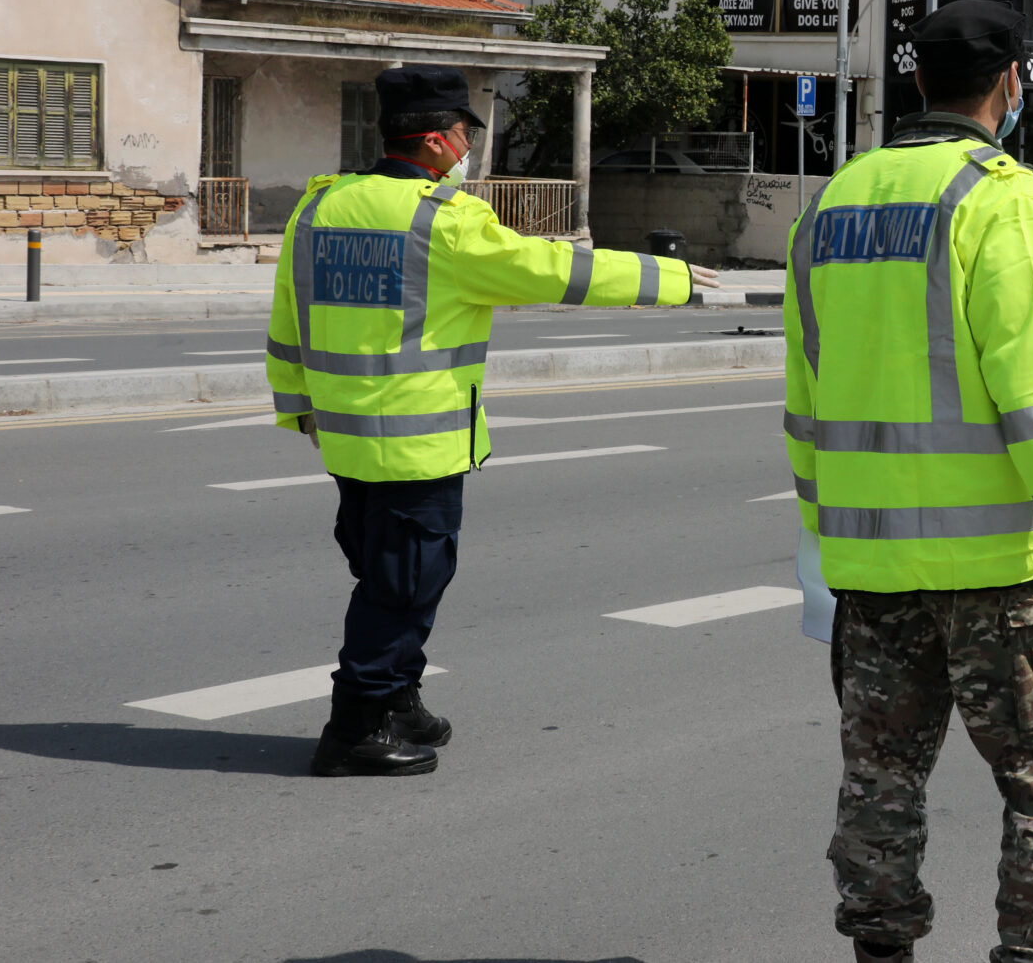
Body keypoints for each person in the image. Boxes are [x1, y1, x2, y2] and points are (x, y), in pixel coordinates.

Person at [784, 0, 1033, 963]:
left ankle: (880, 950)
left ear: (917, 82)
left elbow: (805, 402)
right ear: (1011, 84)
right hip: (1004, 573)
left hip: (871, 572)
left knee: (881, 777)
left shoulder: (834, 203)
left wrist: (830, 539)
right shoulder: (1004, 199)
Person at [266, 64, 717, 778]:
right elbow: (553, 271)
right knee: (403, 585)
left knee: (392, 577)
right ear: (438, 139)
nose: (467, 148)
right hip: (416, 445)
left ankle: (398, 700)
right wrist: (671, 278)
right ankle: (354, 726)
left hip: (346, 440)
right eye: (463, 133)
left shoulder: (321, 206)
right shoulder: (442, 222)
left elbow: (288, 316)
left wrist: (297, 407)